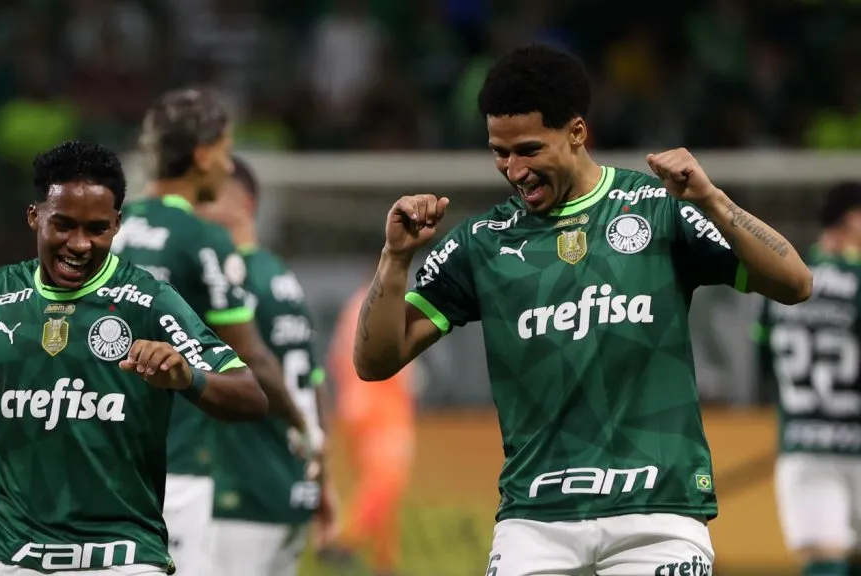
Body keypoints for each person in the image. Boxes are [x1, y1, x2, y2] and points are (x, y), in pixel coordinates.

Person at [352, 43, 813, 576]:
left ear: (576, 132)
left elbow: (795, 281)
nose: (514, 170)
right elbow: (374, 362)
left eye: (528, 149)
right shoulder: (481, 243)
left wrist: (711, 199)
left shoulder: (659, 208)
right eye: (499, 153)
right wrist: (395, 259)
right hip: (535, 522)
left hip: (659, 516)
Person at [0, 140, 269, 576]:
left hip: (121, 557)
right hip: (6, 555)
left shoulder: (150, 300)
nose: (79, 244)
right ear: (34, 216)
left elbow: (251, 396)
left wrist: (186, 376)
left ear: (117, 225)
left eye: (97, 229)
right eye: (63, 225)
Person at [112, 88, 313, 576]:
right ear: (201, 155)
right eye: (224, 153)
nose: (227, 167)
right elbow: (252, 359)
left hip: (106, 459)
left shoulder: (110, 230)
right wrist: (305, 429)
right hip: (176, 468)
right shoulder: (203, 239)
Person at [195, 155, 337, 576]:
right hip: (290, 488)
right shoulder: (281, 278)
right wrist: (322, 481)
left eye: (206, 198)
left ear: (243, 205)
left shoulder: (231, 284)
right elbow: (312, 387)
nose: (195, 210)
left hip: (243, 491)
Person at [756, 182, 861, 576]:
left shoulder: (784, 282)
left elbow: (763, 364)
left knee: (824, 563)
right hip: (856, 439)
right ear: (852, 219)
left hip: (802, 445)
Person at [322, 283, 417, 576]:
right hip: (381, 404)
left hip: (357, 406)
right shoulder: (386, 303)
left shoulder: (356, 302)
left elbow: (335, 359)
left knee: (378, 483)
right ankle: (344, 541)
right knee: (387, 479)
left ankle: (384, 562)